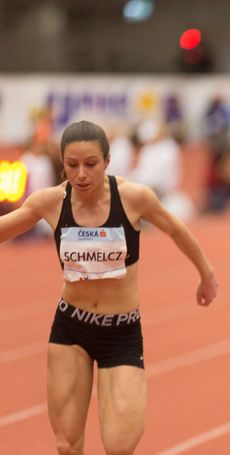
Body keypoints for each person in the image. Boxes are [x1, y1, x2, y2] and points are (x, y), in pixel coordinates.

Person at [0, 120, 218, 454]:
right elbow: (6, 228)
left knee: (119, 446)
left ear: (107, 161)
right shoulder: (50, 202)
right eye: (72, 165)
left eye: (91, 164)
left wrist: (206, 274)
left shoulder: (133, 197)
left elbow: (177, 230)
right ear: (63, 164)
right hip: (71, 329)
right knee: (67, 445)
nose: (81, 174)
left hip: (121, 333)